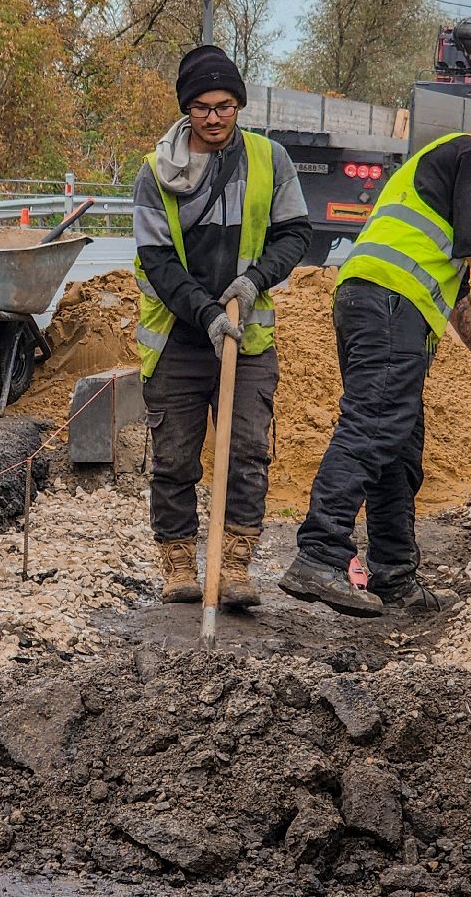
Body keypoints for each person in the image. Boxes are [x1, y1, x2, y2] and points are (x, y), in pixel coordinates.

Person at [277, 98, 471, 617]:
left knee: (397, 440)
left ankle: (394, 572)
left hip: (366, 300)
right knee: (373, 425)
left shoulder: (430, 162)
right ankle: (320, 553)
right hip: (392, 304)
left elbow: (454, 287)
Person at [133, 45, 312, 610]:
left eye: (226, 105)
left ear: (238, 105)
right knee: (175, 458)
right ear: (188, 109)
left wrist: (254, 281)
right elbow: (157, 260)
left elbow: (295, 233)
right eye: (203, 107)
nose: (215, 117)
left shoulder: (269, 159)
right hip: (179, 340)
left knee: (247, 452)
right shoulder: (156, 172)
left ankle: (234, 567)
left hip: (248, 337)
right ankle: (179, 565)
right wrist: (206, 312)